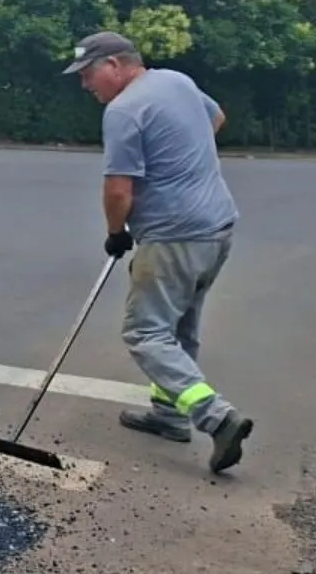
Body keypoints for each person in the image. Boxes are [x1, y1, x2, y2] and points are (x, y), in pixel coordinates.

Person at [63, 30, 255, 474]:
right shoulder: (176, 81)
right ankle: (169, 415)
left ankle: (217, 417)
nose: (85, 85)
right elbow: (218, 117)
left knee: (146, 333)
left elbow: (117, 188)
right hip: (217, 228)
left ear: (114, 65)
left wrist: (116, 232)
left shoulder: (124, 110)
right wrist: (183, 156)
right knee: (180, 327)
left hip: (175, 237)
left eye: (89, 74)